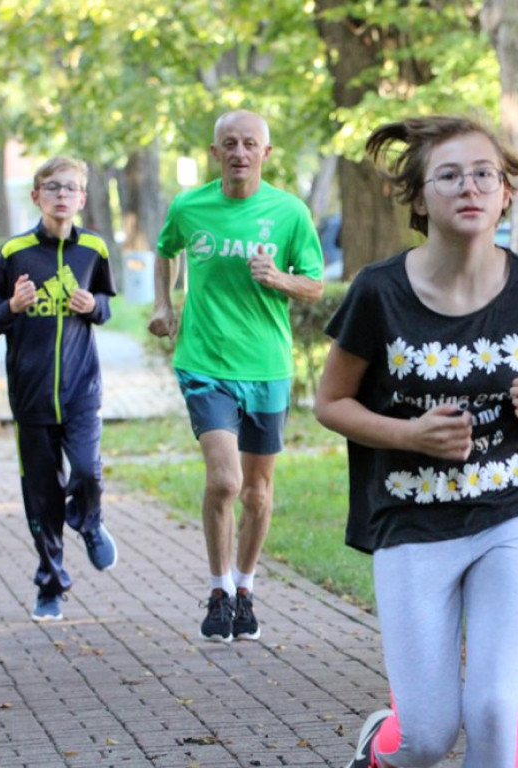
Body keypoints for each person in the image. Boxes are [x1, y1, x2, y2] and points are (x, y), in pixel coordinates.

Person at [313, 115, 518, 768]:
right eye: (450, 175)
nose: (470, 186)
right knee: (426, 737)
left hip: (509, 515)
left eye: (484, 174)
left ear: (505, 193)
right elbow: (330, 403)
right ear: (418, 198)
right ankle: (379, 754)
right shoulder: (379, 291)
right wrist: (409, 434)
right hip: (411, 523)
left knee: (494, 713)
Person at [148, 109, 324, 642]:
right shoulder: (190, 206)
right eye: (230, 143)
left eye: (250, 144)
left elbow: (315, 285)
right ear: (215, 152)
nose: (240, 152)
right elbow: (164, 252)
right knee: (226, 480)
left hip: (267, 366)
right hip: (204, 362)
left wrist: (280, 278)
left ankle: (245, 589)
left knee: (259, 492)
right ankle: (219, 588)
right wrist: (164, 304)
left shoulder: (290, 213)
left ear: (266, 154)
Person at [0, 155, 118, 623]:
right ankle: (51, 584)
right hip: (31, 396)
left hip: (82, 391)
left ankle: (91, 523)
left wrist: (91, 305)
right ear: (37, 195)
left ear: (82, 198)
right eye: (52, 187)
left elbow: (106, 307)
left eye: (71, 188)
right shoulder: (14, 252)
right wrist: (13, 307)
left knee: (87, 470)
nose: (62, 195)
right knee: (41, 496)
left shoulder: (93, 249)